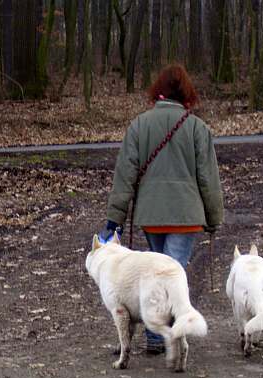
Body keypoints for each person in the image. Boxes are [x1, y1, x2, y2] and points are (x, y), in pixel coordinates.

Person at [100, 64, 224, 353]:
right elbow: (209, 178)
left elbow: (125, 176)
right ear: (186, 94)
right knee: (172, 272)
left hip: (151, 215)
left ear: (158, 91)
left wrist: (115, 218)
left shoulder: (139, 126)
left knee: (157, 272)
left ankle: (158, 336)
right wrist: (214, 218)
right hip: (186, 216)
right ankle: (166, 335)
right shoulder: (196, 128)